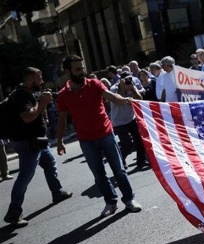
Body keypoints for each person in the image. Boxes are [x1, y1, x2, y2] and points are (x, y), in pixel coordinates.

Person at [56, 55, 142, 217]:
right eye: (77, 69)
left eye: (82, 68)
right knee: (99, 175)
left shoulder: (94, 84)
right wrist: (60, 141)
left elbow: (110, 96)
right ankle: (111, 202)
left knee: (119, 170)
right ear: (67, 72)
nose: (82, 72)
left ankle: (130, 199)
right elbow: (61, 119)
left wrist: (124, 100)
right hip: (86, 140)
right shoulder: (63, 95)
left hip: (106, 135)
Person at [4, 67, 72, 228]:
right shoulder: (21, 94)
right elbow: (27, 117)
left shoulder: (28, 93)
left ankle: (57, 192)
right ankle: (13, 212)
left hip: (38, 142)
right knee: (25, 176)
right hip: (28, 143)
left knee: (50, 164)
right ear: (30, 79)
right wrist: (43, 102)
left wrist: (43, 103)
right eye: (39, 78)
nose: (41, 81)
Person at [110, 74, 149, 169]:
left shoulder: (131, 86)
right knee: (127, 144)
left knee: (139, 141)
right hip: (118, 121)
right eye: (125, 80)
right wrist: (122, 89)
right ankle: (121, 159)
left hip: (131, 118)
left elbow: (139, 99)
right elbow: (119, 102)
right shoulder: (114, 89)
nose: (127, 81)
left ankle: (141, 161)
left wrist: (132, 89)